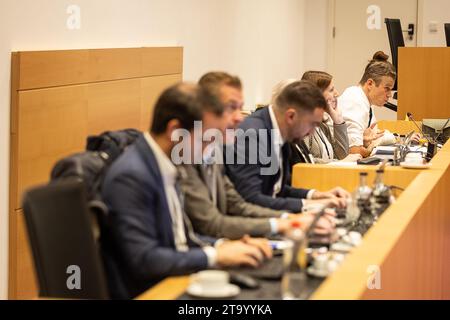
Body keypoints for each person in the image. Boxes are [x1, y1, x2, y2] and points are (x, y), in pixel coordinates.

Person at [101, 83, 271, 299]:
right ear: (175, 131)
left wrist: (226, 246)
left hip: (179, 278)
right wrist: (215, 255)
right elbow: (144, 259)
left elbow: (181, 238)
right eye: (206, 140)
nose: (209, 150)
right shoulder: (132, 175)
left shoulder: (167, 164)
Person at [180, 72, 335, 239]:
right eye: (231, 107)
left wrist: (295, 215)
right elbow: (218, 219)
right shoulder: (248, 135)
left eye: (240, 108)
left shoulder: (212, 150)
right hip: (220, 241)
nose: (240, 118)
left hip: (233, 234)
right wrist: (291, 219)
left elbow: (238, 204)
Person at [226, 80, 350, 213]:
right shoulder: (252, 135)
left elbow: (277, 189)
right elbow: (251, 199)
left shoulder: (280, 130)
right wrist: (311, 205)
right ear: (291, 116)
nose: (312, 132)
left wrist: (317, 195)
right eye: (312, 124)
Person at [339, 51, 397, 158]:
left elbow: (373, 136)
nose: (389, 95)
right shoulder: (354, 100)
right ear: (370, 83)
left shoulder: (366, 102)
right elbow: (354, 151)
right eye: (387, 88)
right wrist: (370, 147)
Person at [297, 71, 361, 164]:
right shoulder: (301, 125)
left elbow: (342, 155)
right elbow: (304, 161)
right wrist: (338, 163)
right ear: (317, 94)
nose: (337, 94)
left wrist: (338, 120)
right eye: (331, 90)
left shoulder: (322, 126)